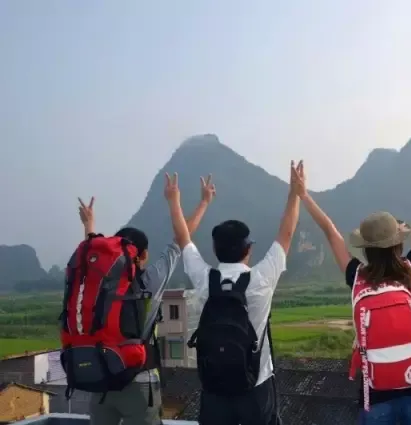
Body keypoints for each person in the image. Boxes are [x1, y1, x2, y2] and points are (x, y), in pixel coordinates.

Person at [290, 160, 411, 425]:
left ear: (366, 248)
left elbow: (330, 232)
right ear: (398, 243)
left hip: (376, 396)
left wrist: (303, 195)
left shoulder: (357, 276)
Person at [164, 163, 301, 425]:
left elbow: (183, 238)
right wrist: (295, 193)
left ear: (215, 250)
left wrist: (177, 201)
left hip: (215, 387)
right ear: (248, 249)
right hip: (256, 385)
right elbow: (287, 231)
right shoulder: (261, 279)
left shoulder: (205, 279)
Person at [72, 176, 214, 425]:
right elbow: (182, 240)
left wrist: (89, 225)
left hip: (100, 379)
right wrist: (201, 202)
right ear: (144, 254)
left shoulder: (99, 283)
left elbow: (91, 257)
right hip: (139, 381)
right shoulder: (149, 281)